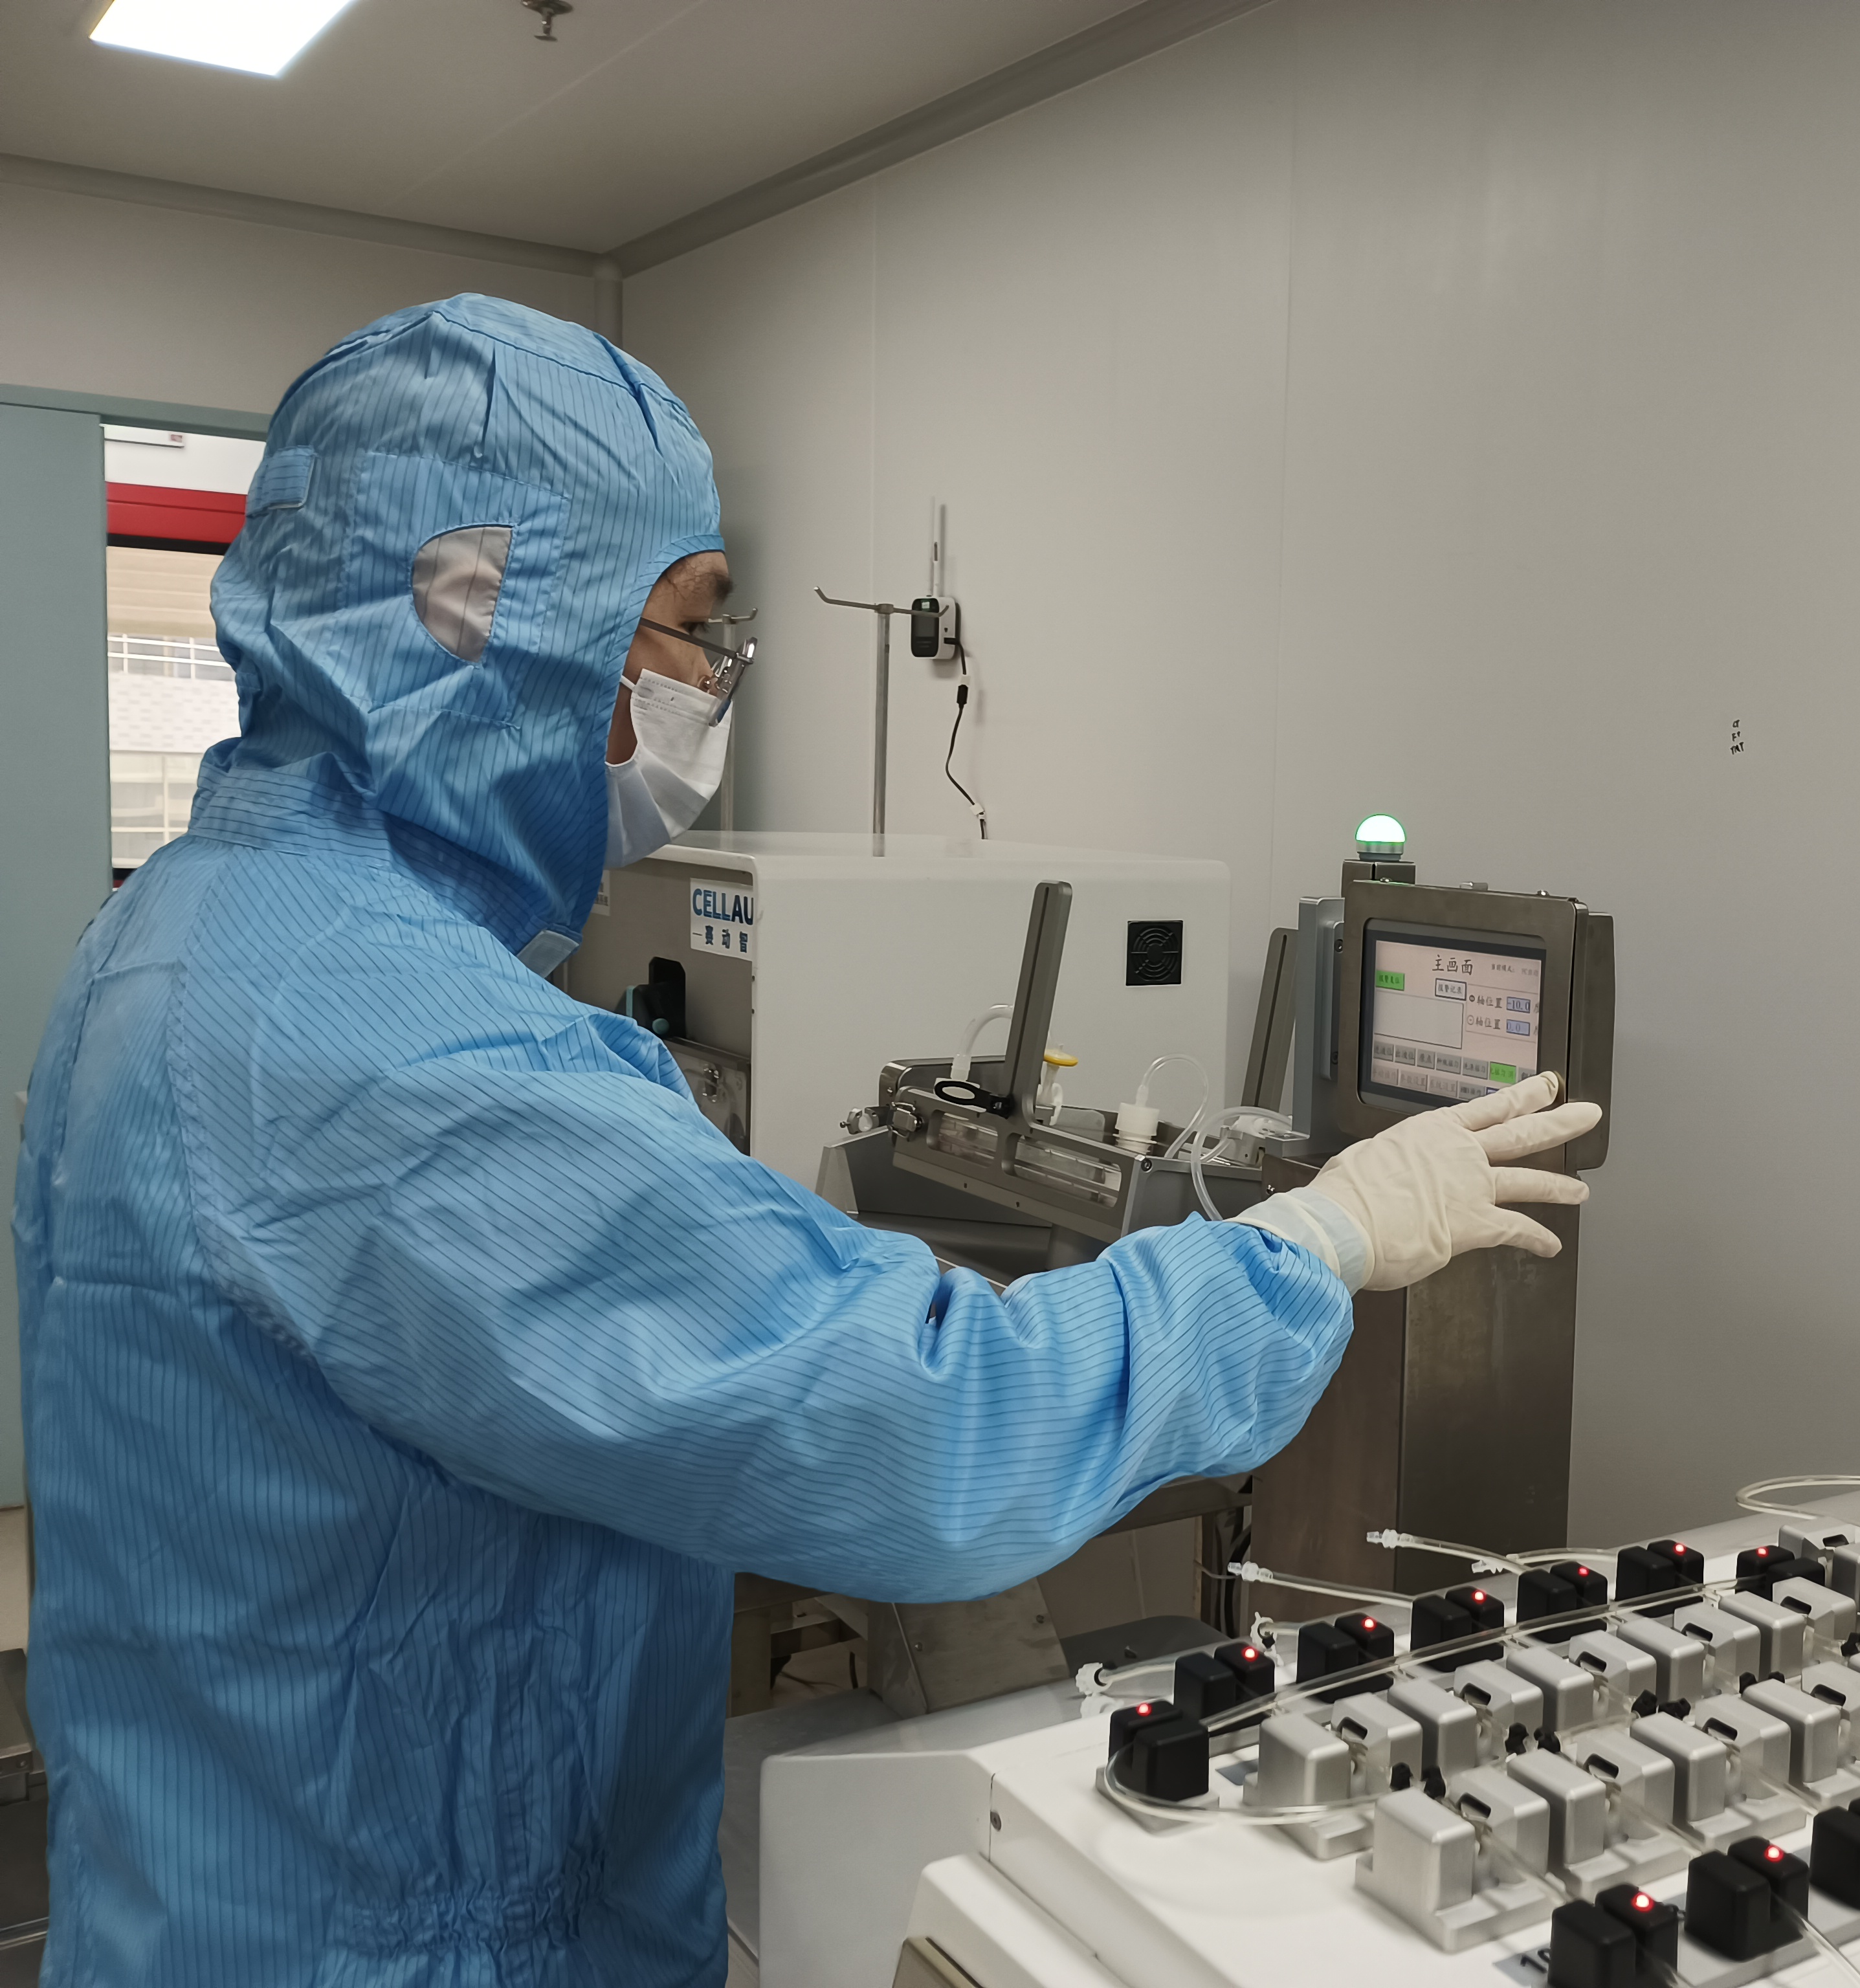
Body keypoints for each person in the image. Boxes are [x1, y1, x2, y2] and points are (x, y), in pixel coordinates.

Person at [9, 295, 1596, 1985]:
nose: (706, 685)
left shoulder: (186, 930)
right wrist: (1309, 1246)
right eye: (692, 628)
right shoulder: (397, 1041)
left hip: (205, 1891)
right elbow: (932, 1429)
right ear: (494, 617)